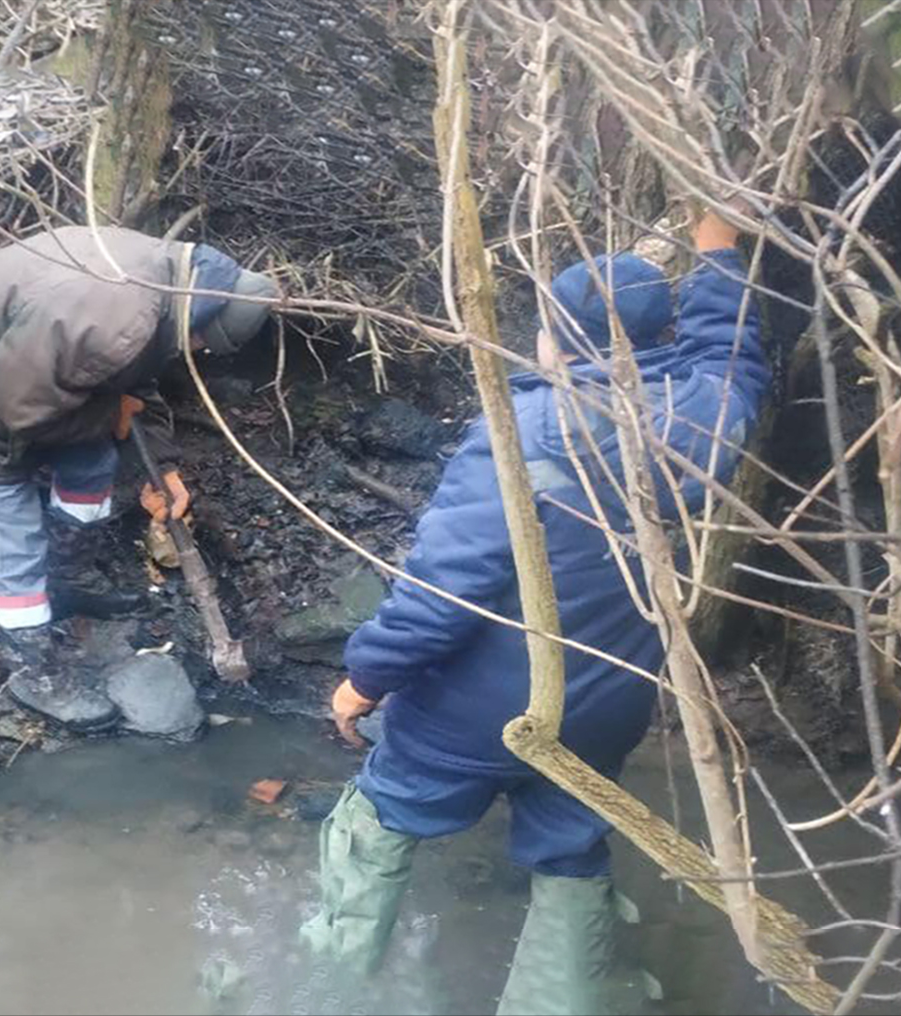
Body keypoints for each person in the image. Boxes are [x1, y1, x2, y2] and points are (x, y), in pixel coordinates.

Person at [301, 210, 766, 1014]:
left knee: (385, 811)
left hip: (468, 715)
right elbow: (733, 350)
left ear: (556, 340)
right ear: (661, 337)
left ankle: (335, 981)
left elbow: (441, 596)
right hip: (605, 705)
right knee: (571, 842)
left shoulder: (518, 439)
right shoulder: (707, 417)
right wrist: (719, 250)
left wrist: (363, 682)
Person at [0, 225, 278, 731]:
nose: (196, 348)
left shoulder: (168, 284)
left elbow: (132, 378)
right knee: (8, 515)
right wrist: (111, 417)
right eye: (201, 342)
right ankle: (36, 667)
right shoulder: (113, 316)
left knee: (94, 462)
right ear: (201, 316)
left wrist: (161, 466)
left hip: (24, 370)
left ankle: (68, 578)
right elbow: (21, 411)